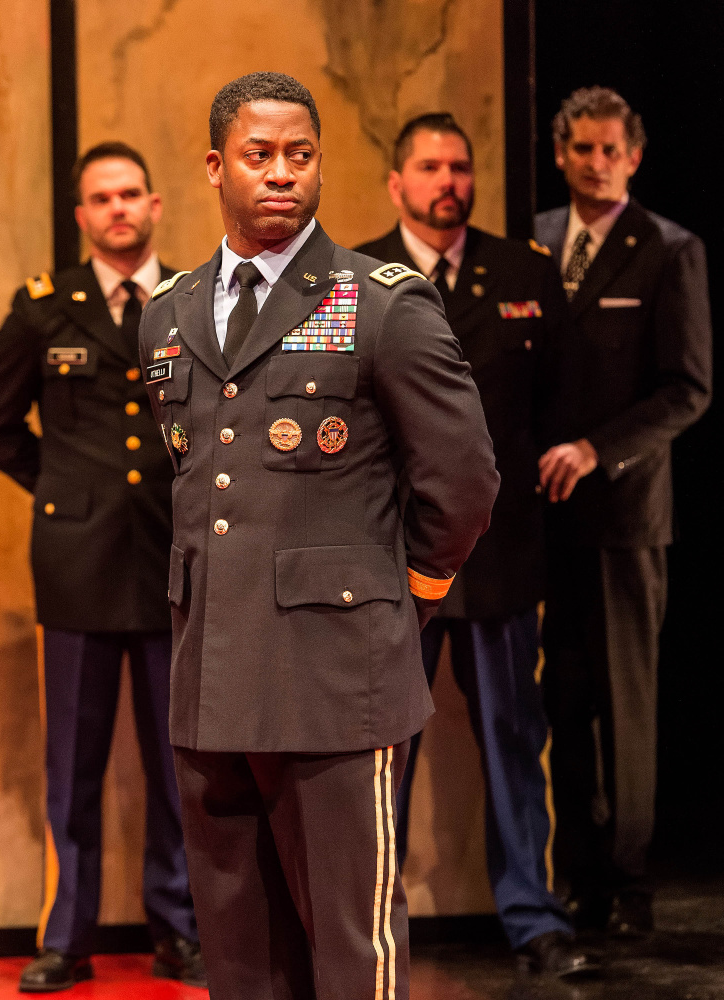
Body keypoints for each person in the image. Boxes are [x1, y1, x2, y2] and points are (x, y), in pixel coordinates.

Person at [138, 73, 499, 1000]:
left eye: (301, 156)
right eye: (259, 156)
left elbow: (462, 482)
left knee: (350, 949)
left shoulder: (383, 303)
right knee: (240, 955)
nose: (282, 175)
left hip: (337, 671)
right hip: (212, 673)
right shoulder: (167, 314)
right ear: (217, 166)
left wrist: (409, 598)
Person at [356, 114, 593, 977]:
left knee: (513, 737)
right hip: (387, 562)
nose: (447, 180)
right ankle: (371, 916)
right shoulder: (354, 277)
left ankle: (535, 917)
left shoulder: (524, 274)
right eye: (428, 167)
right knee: (379, 748)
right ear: (397, 183)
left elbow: (560, 407)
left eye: (459, 166)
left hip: (499, 559)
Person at [0, 143, 205, 992]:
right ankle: (66, 936)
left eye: (131, 194)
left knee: (182, 765)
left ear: (156, 202)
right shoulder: (43, 309)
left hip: (175, 563)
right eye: (101, 198)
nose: (118, 209)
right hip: (76, 570)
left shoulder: (193, 301)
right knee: (71, 768)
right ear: (81, 215)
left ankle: (178, 929)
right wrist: (61, 493)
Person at [535, 87, 712, 936]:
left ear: (634, 158)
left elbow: (689, 389)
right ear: (561, 154)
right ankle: (578, 878)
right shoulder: (534, 243)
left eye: (612, 150)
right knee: (562, 700)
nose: (597, 164)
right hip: (546, 518)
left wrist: (597, 450)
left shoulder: (668, 250)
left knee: (624, 702)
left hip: (625, 516)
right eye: (583, 149)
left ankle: (629, 881)